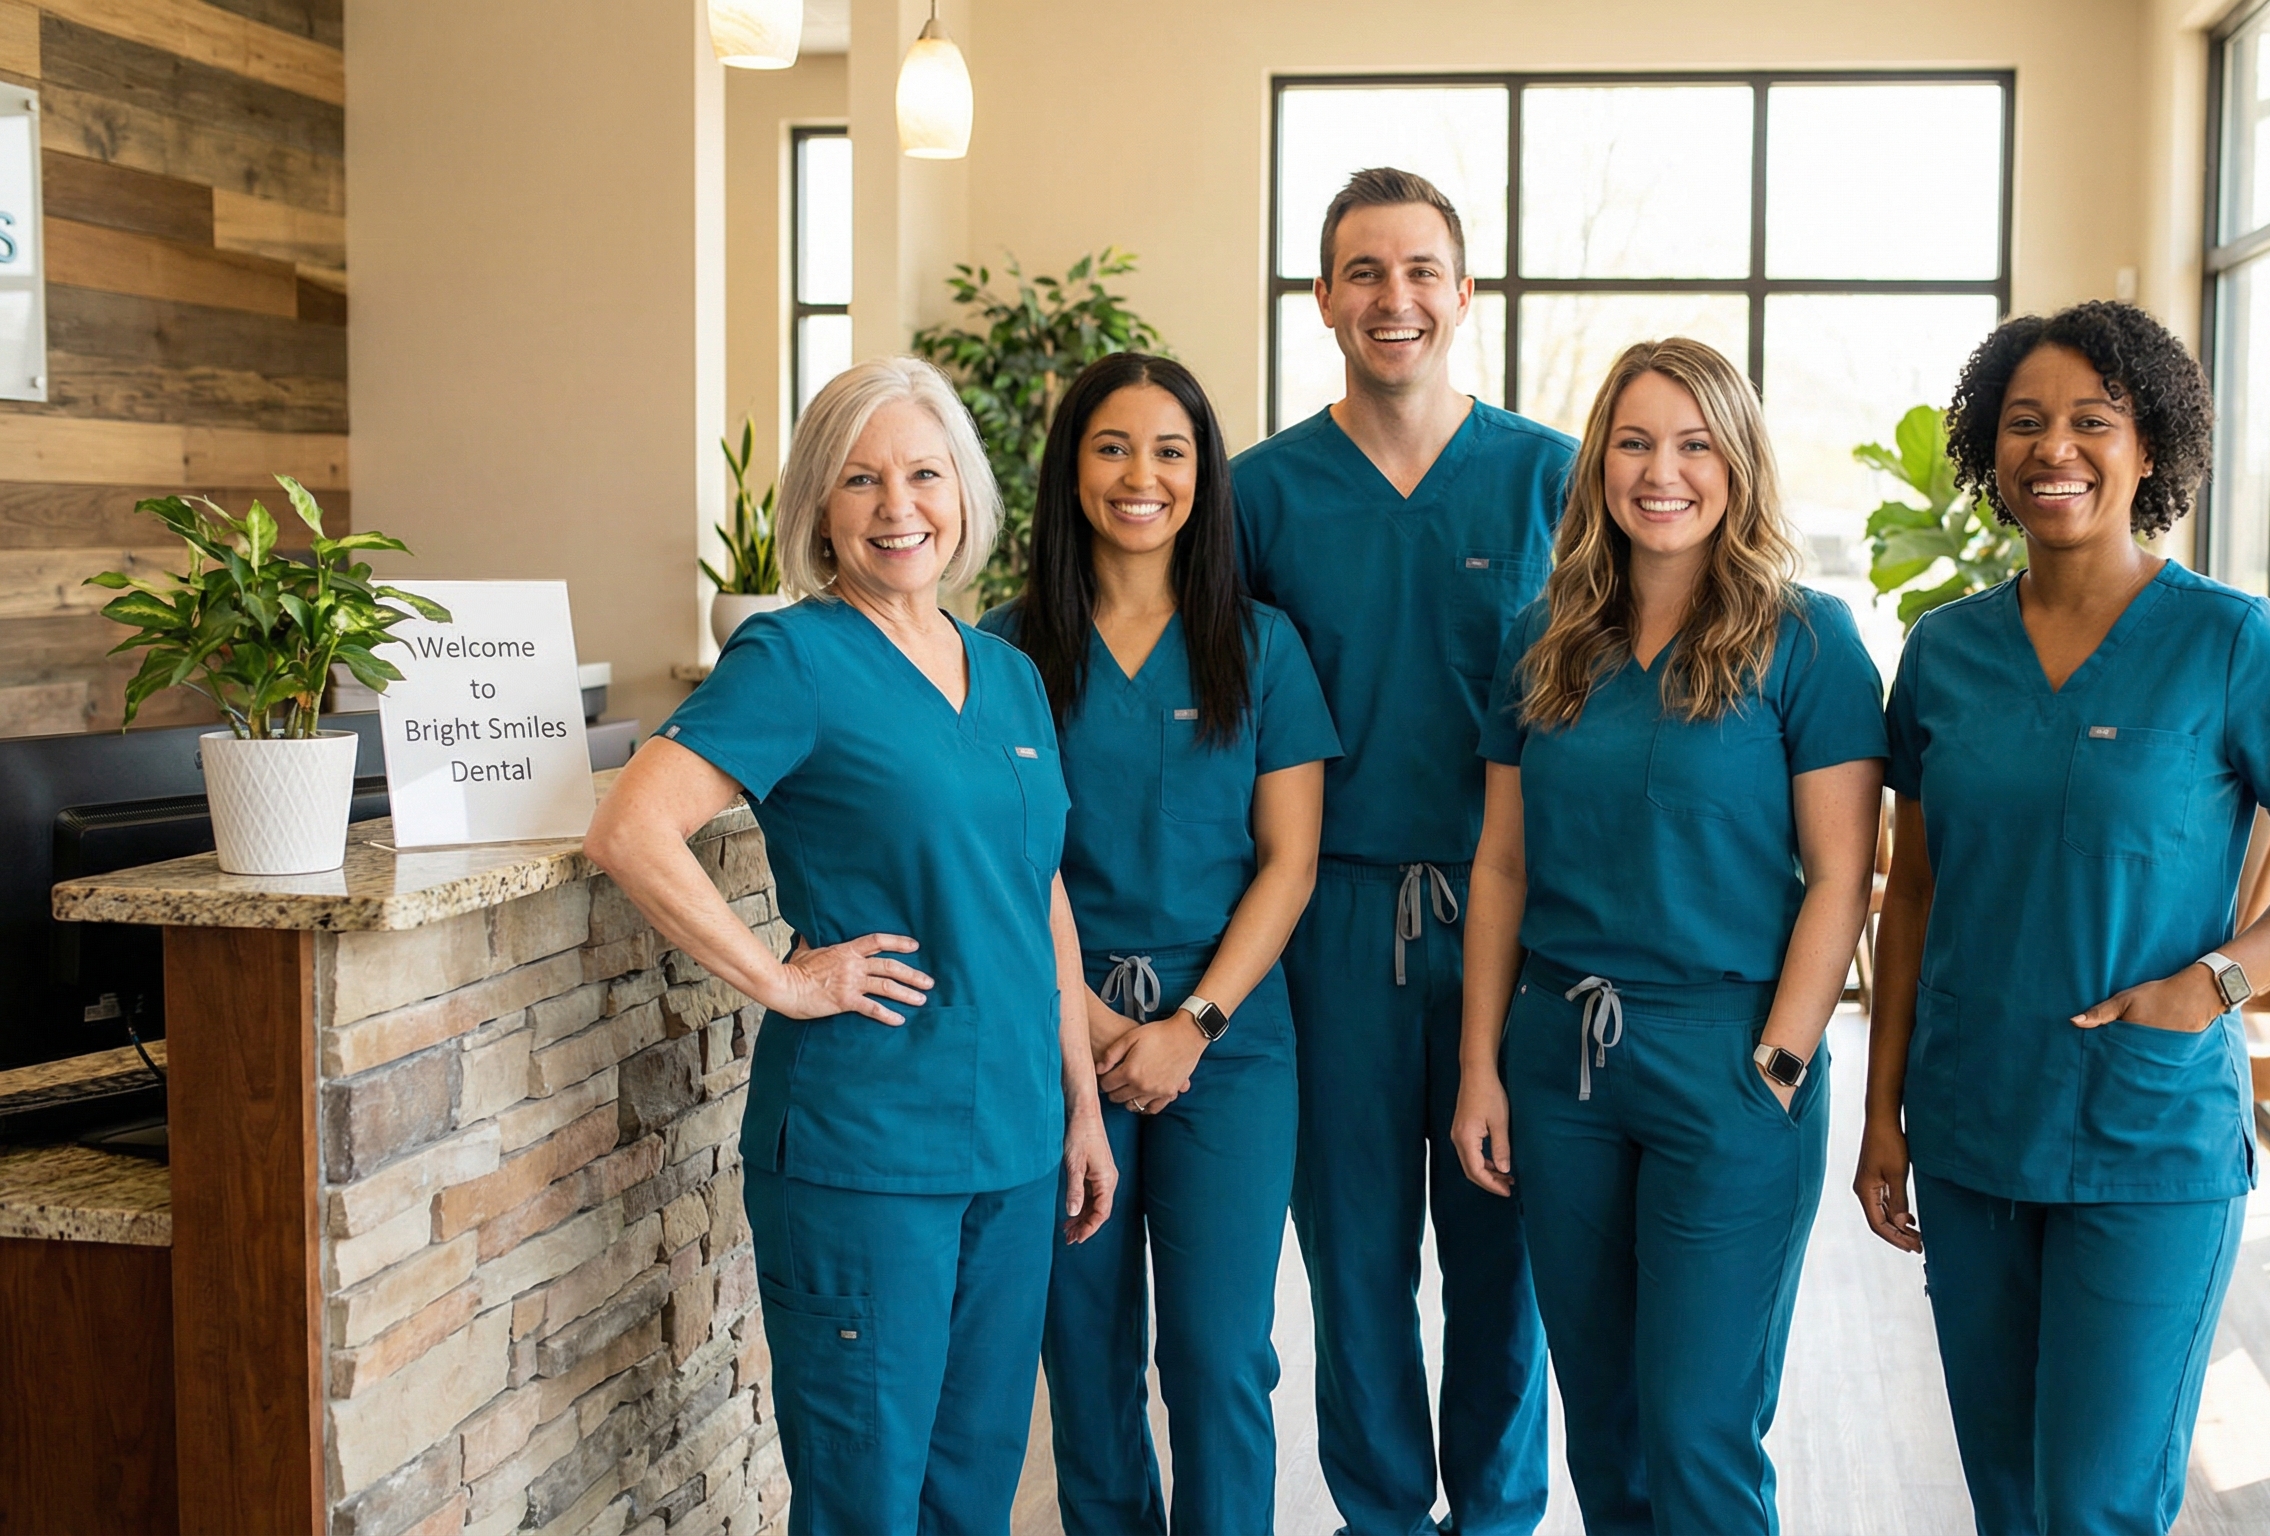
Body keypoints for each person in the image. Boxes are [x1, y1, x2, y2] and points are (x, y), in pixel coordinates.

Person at [1853, 301, 2270, 1536]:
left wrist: (2216, 984)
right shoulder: (1942, 654)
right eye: (2023, 423)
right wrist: (1882, 1111)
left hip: (2146, 1139)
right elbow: (1913, 892)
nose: (2056, 448)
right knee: (2008, 1499)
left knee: (2095, 1503)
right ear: (1989, 452)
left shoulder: (2229, 642)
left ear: (2150, 451)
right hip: (1975, 1122)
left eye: (2093, 422)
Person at [584, 357, 1116, 1536]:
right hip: (867, 1149)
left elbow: (1037, 895)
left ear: (964, 493)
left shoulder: (1012, 675)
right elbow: (630, 829)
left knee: (971, 1494)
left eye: (924, 474)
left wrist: (1081, 1105)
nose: (898, 506)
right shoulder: (793, 659)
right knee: (867, 1502)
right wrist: (779, 978)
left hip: (1016, 1141)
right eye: (861, 479)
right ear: (819, 508)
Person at [1449, 338, 1887, 1535]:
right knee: (1604, 1424)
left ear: (1737, 464)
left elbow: (1841, 876)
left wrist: (1778, 1063)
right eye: (1635, 443)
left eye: (1694, 445)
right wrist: (1482, 1066)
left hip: (1728, 1060)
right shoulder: (1544, 635)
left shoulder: (1807, 641)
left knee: (1698, 1426)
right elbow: (1501, 865)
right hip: (1562, 1062)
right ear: (1598, 464)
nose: (1662, 472)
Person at [1232, 166, 1574, 1536]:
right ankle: (1379, 1513)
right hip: (1330, 924)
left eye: (1422, 269)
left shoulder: (1552, 478)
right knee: (1354, 1261)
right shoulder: (1258, 497)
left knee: (1506, 1255)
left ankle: (1493, 1516)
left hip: (1518, 924)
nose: (1396, 297)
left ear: (1464, 292)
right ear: (1322, 299)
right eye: (1364, 272)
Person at [978, 354, 1340, 1535]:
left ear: (1203, 474)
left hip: (1228, 1046)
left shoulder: (1260, 645)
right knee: (1083, 1355)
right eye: (1112, 447)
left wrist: (1193, 1025)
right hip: (1055, 1037)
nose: (1142, 476)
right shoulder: (1002, 653)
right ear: (1070, 469)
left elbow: (1289, 862)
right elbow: (1002, 865)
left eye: (1170, 451)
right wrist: (1088, 1023)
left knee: (1219, 1353)